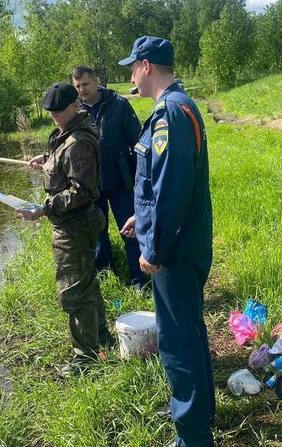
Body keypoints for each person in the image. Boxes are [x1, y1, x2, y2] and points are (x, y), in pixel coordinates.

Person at [119, 36, 215, 447]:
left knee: (177, 345)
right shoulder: (179, 106)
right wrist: (140, 216)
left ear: (145, 65)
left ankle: (192, 437)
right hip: (185, 243)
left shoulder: (169, 115)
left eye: (132, 69)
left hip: (174, 251)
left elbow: (171, 191)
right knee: (189, 331)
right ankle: (199, 414)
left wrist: (151, 249)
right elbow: (161, 188)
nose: (131, 78)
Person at [23, 82, 114, 375]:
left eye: (59, 112)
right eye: (50, 113)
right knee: (86, 281)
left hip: (74, 226)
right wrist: (47, 161)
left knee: (73, 290)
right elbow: (65, 164)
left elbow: (82, 191)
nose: (54, 117)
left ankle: (84, 357)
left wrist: (43, 209)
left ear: (75, 105)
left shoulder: (79, 142)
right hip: (74, 223)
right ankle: (101, 337)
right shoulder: (68, 133)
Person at [71, 65, 146, 287]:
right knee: (98, 232)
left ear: (96, 81)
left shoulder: (119, 105)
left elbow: (139, 141)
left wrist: (143, 174)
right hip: (92, 183)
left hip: (122, 179)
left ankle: (139, 278)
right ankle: (104, 276)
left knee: (130, 231)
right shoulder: (75, 109)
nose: (82, 90)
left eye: (85, 84)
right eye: (77, 86)